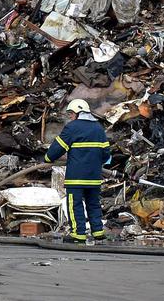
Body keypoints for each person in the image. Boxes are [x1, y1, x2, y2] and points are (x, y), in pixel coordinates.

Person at [44, 98, 111, 243]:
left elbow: (58, 148)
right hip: (94, 177)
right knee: (93, 203)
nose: (70, 117)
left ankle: (78, 233)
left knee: (75, 205)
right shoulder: (98, 128)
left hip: (76, 176)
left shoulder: (72, 127)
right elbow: (106, 154)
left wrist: (48, 158)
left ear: (78, 112)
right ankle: (98, 231)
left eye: (71, 113)